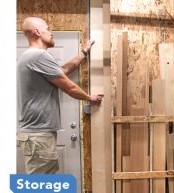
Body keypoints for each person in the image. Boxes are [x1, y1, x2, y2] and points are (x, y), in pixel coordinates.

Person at [17, 17, 103, 174]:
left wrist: (84, 52)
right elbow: (69, 87)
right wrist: (90, 98)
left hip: (36, 134)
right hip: (38, 135)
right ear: (37, 32)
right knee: (41, 185)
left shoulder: (31, 57)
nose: (51, 33)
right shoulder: (38, 56)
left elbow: (63, 71)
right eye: (48, 29)